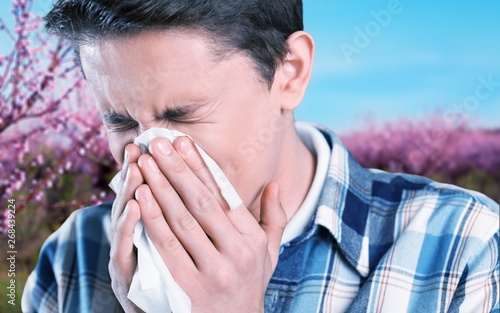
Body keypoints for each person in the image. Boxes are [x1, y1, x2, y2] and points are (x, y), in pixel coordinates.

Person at [22, 0, 499, 312]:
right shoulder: (73, 259)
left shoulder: (463, 249)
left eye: (182, 115)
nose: (150, 157)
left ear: (290, 73)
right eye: (121, 122)